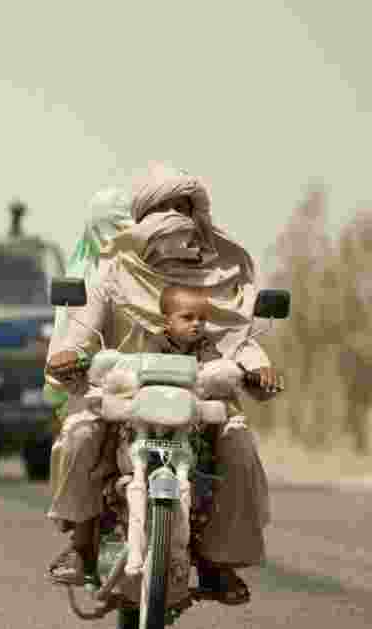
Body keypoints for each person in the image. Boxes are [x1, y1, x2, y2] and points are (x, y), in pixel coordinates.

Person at [45, 163, 281, 605]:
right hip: (121, 395)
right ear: (143, 214)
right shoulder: (112, 272)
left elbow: (238, 336)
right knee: (79, 432)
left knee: (238, 441)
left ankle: (216, 561)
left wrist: (257, 367)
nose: (176, 218)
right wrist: (71, 356)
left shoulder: (221, 276)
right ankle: (80, 544)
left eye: (184, 208)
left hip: (198, 397)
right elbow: (82, 332)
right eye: (164, 208)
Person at [45, 188, 133, 422]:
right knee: (82, 435)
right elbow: (76, 338)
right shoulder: (90, 279)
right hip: (98, 386)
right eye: (114, 227)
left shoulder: (160, 275)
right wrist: (70, 358)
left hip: (158, 384)